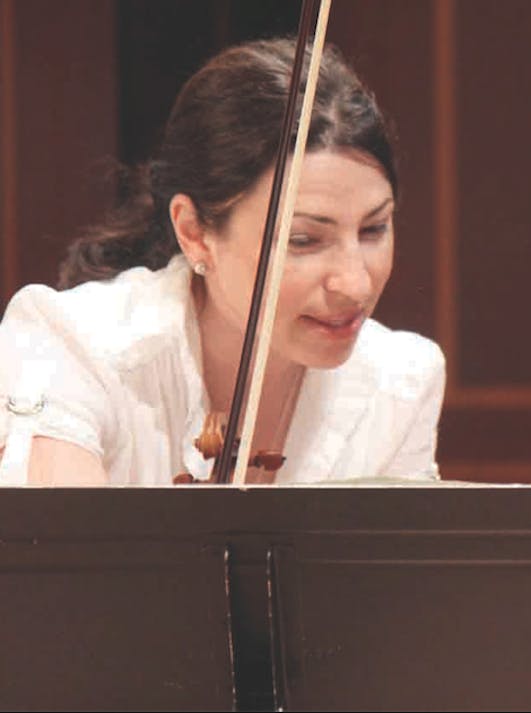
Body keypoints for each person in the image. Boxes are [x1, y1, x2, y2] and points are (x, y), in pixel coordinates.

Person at [0, 37, 445, 487]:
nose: (355, 284)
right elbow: (63, 553)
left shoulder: (402, 380)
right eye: (304, 239)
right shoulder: (73, 344)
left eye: (374, 229)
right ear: (193, 232)